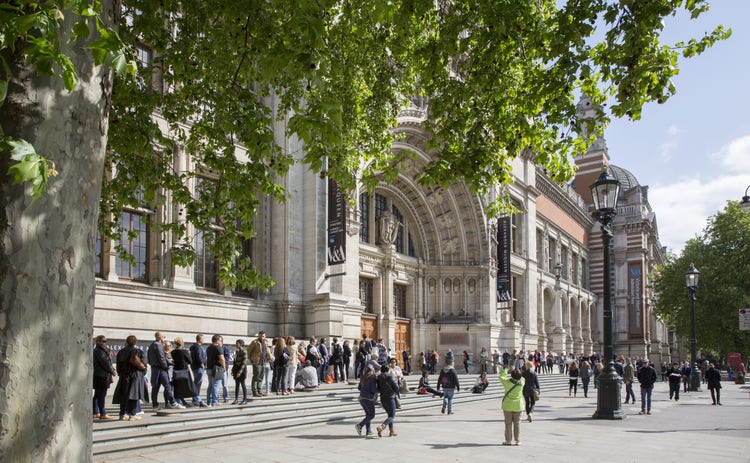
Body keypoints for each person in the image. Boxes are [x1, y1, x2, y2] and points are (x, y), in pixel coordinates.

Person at [113, 335, 145, 421]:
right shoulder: (138, 351)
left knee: (124, 394)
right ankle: (132, 414)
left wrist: (120, 374)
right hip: (135, 375)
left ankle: (122, 414)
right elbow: (143, 365)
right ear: (135, 342)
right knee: (134, 394)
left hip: (124, 375)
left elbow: (118, 365)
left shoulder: (121, 352)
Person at [147, 331, 182, 410]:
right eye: (163, 336)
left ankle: (155, 405)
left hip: (155, 368)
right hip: (161, 369)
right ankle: (173, 403)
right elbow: (161, 358)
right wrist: (166, 367)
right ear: (160, 337)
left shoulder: (151, 346)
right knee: (167, 386)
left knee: (155, 388)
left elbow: (149, 359)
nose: (164, 338)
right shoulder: (158, 345)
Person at [92, 335, 117, 420]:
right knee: (101, 394)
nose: (105, 343)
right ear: (98, 341)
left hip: (101, 375)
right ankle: (102, 413)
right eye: (103, 341)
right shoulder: (99, 351)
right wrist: (112, 370)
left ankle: (95, 412)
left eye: (105, 341)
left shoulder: (102, 350)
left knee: (98, 394)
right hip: (101, 375)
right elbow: (105, 362)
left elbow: (107, 362)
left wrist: (112, 369)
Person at [499, 367, 525, 446]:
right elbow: (522, 377)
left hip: (507, 406)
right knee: (517, 424)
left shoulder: (506, 382)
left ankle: (508, 440)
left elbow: (501, 376)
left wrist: (507, 369)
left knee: (508, 424)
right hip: (518, 406)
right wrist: (516, 370)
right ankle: (518, 440)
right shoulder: (522, 382)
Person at [171, 337, 197, 407]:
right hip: (184, 370)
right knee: (189, 386)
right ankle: (196, 400)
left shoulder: (173, 352)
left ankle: (179, 401)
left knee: (178, 386)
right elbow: (190, 361)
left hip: (176, 370)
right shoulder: (184, 351)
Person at [376, 365, 399, 437]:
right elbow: (396, 387)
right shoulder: (390, 377)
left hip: (383, 398)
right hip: (390, 398)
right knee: (392, 415)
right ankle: (382, 426)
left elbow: (378, 388)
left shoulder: (378, 377)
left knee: (389, 415)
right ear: (387, 370)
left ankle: (392, 431)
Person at [355, 367, 378, 438]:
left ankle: (368, 430)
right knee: (372, 415)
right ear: (372, 370)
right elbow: (373, 390)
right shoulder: (372, 377)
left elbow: (359, 388)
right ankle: (360, 425)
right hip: (369, 399)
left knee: (368, 415)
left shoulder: (363, 377)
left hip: (362, 398)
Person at [247, 331, 272, 397]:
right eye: (260, 336)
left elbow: (267, 351)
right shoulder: (255, 342)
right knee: (256, 376)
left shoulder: (265, 342)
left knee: (261, 377)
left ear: (265, 336)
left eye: (263, 336)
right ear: (258, 336)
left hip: (263, 362)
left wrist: (269, 357)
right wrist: (251, 359)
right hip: (256, 362)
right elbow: (249, 350)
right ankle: (254, 391)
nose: (262, 337)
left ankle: (259, 390)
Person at [205, 334, 226, 407]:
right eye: (221, 341)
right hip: (217, 369)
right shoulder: (218, 348)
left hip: (209, 368)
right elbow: (222, 358)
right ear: (218, 340)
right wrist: (224, 367)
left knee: (210, 385)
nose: (221, 342)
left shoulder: (208, 348)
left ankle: (208, 401)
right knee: (216, 385)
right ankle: (214, 401)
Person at [189, 334, 208, 407]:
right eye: (203, 339)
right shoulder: (198, 347)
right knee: (197, 383)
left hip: (194, 366)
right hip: (199, 367)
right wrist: (201, 363)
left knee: (197, 383)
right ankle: (197, 399)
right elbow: (198, 355)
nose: (204, 340)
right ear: (199, 339)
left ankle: (195, 398)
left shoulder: (193, 347)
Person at [231, 339, 248, 404]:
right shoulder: (237, 352)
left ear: (241, 344)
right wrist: (233, 370)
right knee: (237, 384)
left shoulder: (244, 351)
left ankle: (245, 399)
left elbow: (244, 363)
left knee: (243, 384)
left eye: (237, 343)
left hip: (242, 370)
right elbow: (235, 362)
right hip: (236, 369)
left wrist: (240, 372)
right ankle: (236, 399)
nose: (236, 344)